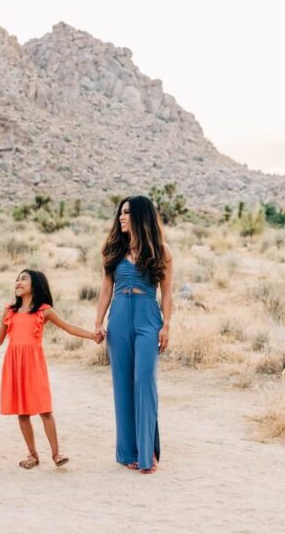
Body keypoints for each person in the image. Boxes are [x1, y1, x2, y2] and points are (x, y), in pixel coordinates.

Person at [0, 269, 98, 469]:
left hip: (34, 364)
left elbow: (69, 327)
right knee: (22, 412)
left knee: (45, 409)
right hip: (14, 364)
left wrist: (93, 335)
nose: (18, 282)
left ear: (36, 284)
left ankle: (56, 454)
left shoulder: (44, 310)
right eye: (17, 279)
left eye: (24, 279)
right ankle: (33, 455)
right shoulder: (10, 311)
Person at [93, 195, 173, 474]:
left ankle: (147, 450)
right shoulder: (113, 249)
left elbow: (167, 293)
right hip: (119, 316)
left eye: (127, 213)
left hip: (148, 316)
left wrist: (167, 325)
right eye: (120, 213)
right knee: (123, 383)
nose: (121, 218)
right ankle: (129, 451)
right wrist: (98, 322)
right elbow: (105, 290)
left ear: (140, 216)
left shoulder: (161, 250)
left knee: (144, 381)